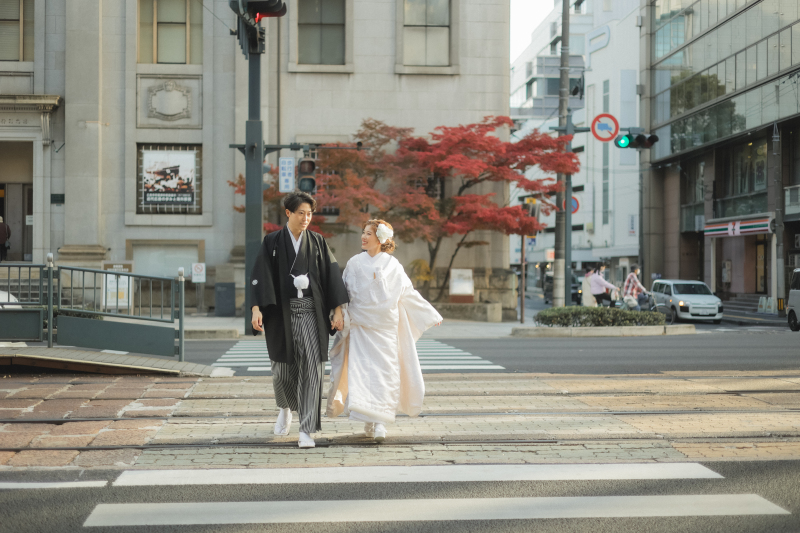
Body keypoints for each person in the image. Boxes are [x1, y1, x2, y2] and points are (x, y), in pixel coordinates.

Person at [327, 219, 442, 442]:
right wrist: (339, 313)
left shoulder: (393, 265)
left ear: (380, 239)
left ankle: (380, 422)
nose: (363, 236)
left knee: (384, 375)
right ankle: (369, 420)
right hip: (361, 326)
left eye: (368, 233)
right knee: (361, 375)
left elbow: (407, 292)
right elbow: (343, 292)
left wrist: (430, 313)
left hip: (385, 328)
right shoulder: (354, 263)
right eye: (363, 232)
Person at [250, 192, 349, 449]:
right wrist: (256, 308)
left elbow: (332, 278)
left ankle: (307, 429)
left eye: (310, 214)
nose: (306, 218)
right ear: (288, 213)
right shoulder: (271, 242)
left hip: (311, 314)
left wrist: (337, 310)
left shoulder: (317, 242)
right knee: (281, 371)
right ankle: (285, 407)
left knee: (312, 371)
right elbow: (261, 275)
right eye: (301, 213)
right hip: (281, 314)